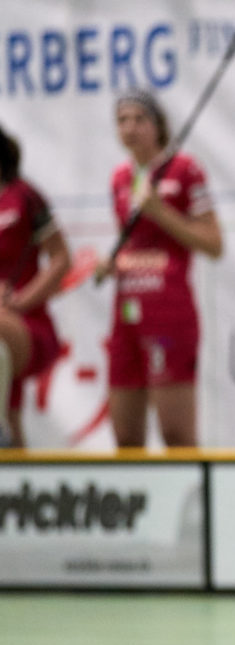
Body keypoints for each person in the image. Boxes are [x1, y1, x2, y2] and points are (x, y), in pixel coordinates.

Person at [103, 90, 223, 448]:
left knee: (176, 433)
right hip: (125, 313)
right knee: (125, 435)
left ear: (158, 126)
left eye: (140, 119)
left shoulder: (184, 170)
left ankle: (193, 504)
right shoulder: (120, 178)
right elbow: (132, 243)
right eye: (122, 120)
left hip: (168, 313)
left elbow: (213, 243)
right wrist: (111, 262)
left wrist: (161, 213)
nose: (130, 127)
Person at [0, 125, 70, 447]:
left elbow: (60, 259)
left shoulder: (24, 196)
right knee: (11, 417)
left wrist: (23, 299)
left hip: (28, 325)